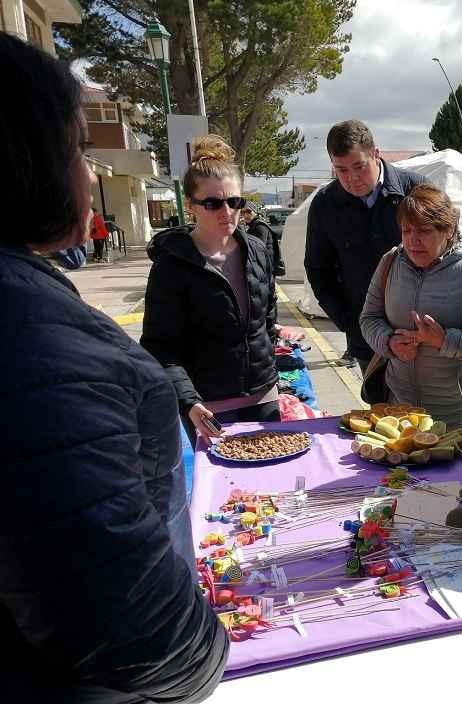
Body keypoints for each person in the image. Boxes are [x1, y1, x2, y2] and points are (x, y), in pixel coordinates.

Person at [0, 34, 227, 701]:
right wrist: (206, 648)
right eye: (78, 148)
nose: (91, 174)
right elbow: (133, 626)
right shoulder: (29, 335)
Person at [141, 135, 280, 448]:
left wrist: (271, 375)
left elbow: (267, 323)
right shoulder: (171, 266)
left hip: (264, 397)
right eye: (213, 203)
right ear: (190, 205)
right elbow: (159, 346)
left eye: (234, 202)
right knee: (225, 496)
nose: (226, 211)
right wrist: (188, 402)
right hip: (209, 410)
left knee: (272, 491)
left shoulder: (257, 250)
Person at [360, 184, 462, 456]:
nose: (412, 240)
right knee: (401, 487)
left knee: (453, 491)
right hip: (401, 409)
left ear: (449, 230)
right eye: (407, 230)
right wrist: (389, 341)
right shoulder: (389, 263)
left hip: (458, 412)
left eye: (424, 231)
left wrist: (445, 340)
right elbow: (369, 318)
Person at [305, 119, 427, 373]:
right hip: (366, 340)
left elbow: (448, 254)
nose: (352, 179)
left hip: (421, 335)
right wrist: (350, 323)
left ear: (376, 154)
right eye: (341, 170)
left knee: (425, 412)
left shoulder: (416, 190)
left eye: (359, 167)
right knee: (380, 411)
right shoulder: (325, 205)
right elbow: (318, 271)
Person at [240, 201, 278, 272]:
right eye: (242, 212)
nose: (246, 215)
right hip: (261, 264)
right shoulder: (252, 226)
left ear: (254, 212)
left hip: (265, 266)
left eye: (248, 211)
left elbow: (258, 248)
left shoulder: (260, 227)